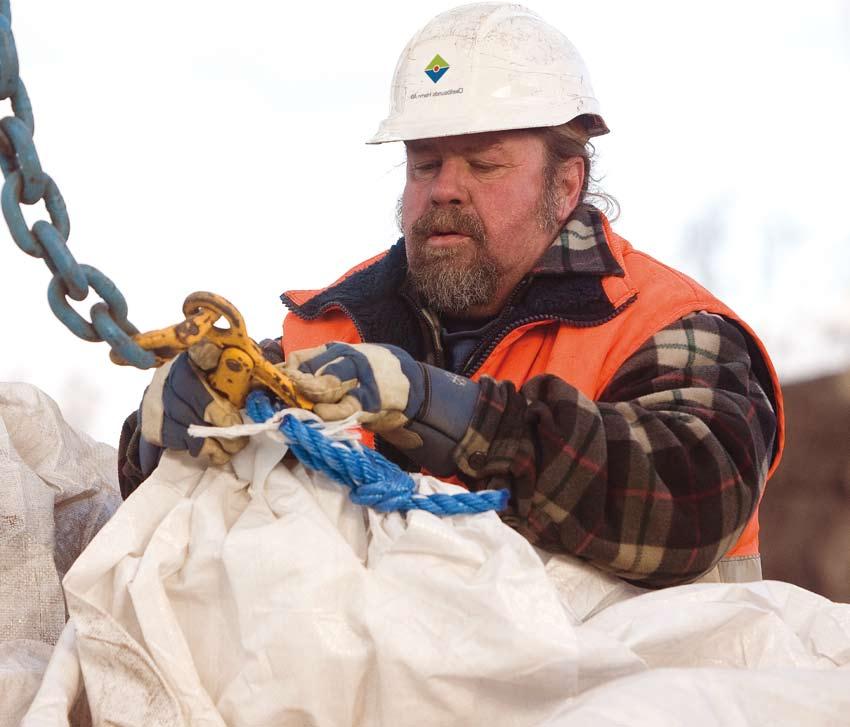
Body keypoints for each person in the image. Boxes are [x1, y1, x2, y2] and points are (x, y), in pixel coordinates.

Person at [119, 3, 783, 588]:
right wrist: (158, 436)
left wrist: (454, 416)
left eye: (484, 163)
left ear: (568, 182)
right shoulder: (335, 326)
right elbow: (184, 517)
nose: (443, 189)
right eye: (425, 164)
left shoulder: (669, 326)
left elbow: (691, 495)